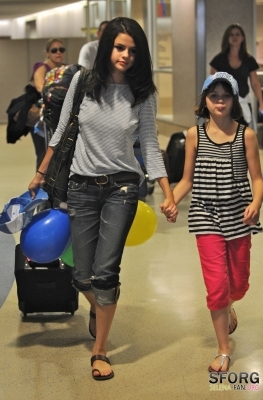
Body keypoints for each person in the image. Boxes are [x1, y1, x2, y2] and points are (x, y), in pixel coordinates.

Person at [28, 17, 177, 380]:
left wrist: (169, 193)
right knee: (81, 276)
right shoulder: (82, 82)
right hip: (80, 186)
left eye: (132, 50)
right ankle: (102, 303)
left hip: (122, 188)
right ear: (107, 46)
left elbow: (150, 146)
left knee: (105, 272)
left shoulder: (142, 93)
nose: (125, 55)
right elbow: (61, 130)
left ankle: (100, 350)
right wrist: (40, 173)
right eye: (120, 47)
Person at [162, 72, 263, 372]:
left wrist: (256, 203)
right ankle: (223, 348)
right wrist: (173, 200)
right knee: (217, 286)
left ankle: (230, 304)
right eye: (213, 96)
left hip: (238, 217)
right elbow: (186, 180)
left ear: (234, 100)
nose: (220, 102)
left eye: (226, 96)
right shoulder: (194, 134)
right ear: (205, 100)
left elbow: (257, 180)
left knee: (239, 285)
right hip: (205, 216)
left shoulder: (246, 135)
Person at [209, 23, 263, 127]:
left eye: (237, 34)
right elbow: (212, 83)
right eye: (231, 35)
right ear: (227, 38)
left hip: (243, 102)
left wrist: (261, 103)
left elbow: (255, 83)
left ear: (242, 38)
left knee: (243, 137)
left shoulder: (249, 60)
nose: (234, 37)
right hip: (224, 104)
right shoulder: (219, 59)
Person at [30, 38, 66, 169]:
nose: (58, 53)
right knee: (44, 153)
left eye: (61, 50)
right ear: (47, 53)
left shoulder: (66, 69)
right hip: (42, 116)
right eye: (54, 50)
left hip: (60, 114)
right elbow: (41, 88)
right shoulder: (42, 67)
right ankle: (40, 185)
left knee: (60, 152)